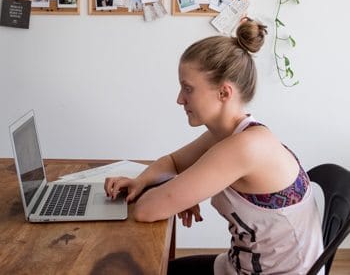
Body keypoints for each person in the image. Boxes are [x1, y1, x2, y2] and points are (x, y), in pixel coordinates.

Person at [104, 18, 324, 275]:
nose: (179, 99)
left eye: (188, 89)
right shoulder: (233, 134)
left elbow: (146, 210)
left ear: (224, 93)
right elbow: (173, 163)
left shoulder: (245, 148)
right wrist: (144, 182)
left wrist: (176, 194)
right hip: (240, 264)